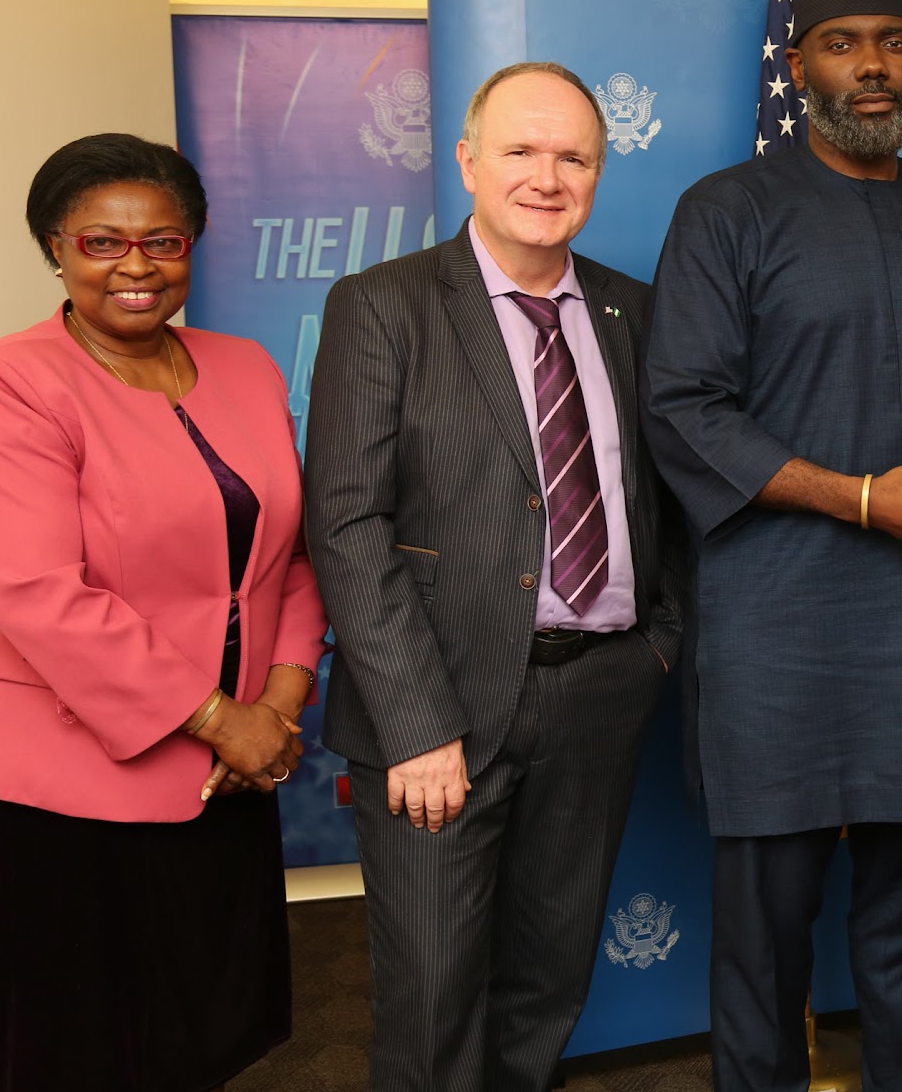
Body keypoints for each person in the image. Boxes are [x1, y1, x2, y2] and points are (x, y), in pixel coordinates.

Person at [644, 0, 902, 1092]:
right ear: (798, 64)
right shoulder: (726, 212)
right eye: (842, 44)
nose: (871, 67)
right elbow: (682, 411)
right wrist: (865, 498)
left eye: (894, 43)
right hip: (777, 636)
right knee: (763, 943)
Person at [305, 61, 684, 1092]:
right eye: (520, 149)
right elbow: (345, 523)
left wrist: (655, 647)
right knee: (431, 994)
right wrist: (417, 726)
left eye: (573, 155)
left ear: (599, 174)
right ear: (468, 161)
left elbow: (669, 499)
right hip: (438, 711)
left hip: (600, 690)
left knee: (547, 978)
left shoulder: (633, 313)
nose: (546, 176)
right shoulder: (382, 306)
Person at [0, 133, 328, 1092]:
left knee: (201, 1032)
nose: (136, 267)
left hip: (229, 773)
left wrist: (280, 706)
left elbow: (287, 550)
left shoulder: (245, 366)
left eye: (163, 242)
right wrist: (220, 719)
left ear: (193, 245)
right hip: (64, 781)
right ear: (55, 248)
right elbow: (39, 591)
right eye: (102, 243)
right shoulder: (6, 382)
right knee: (75, 1049)